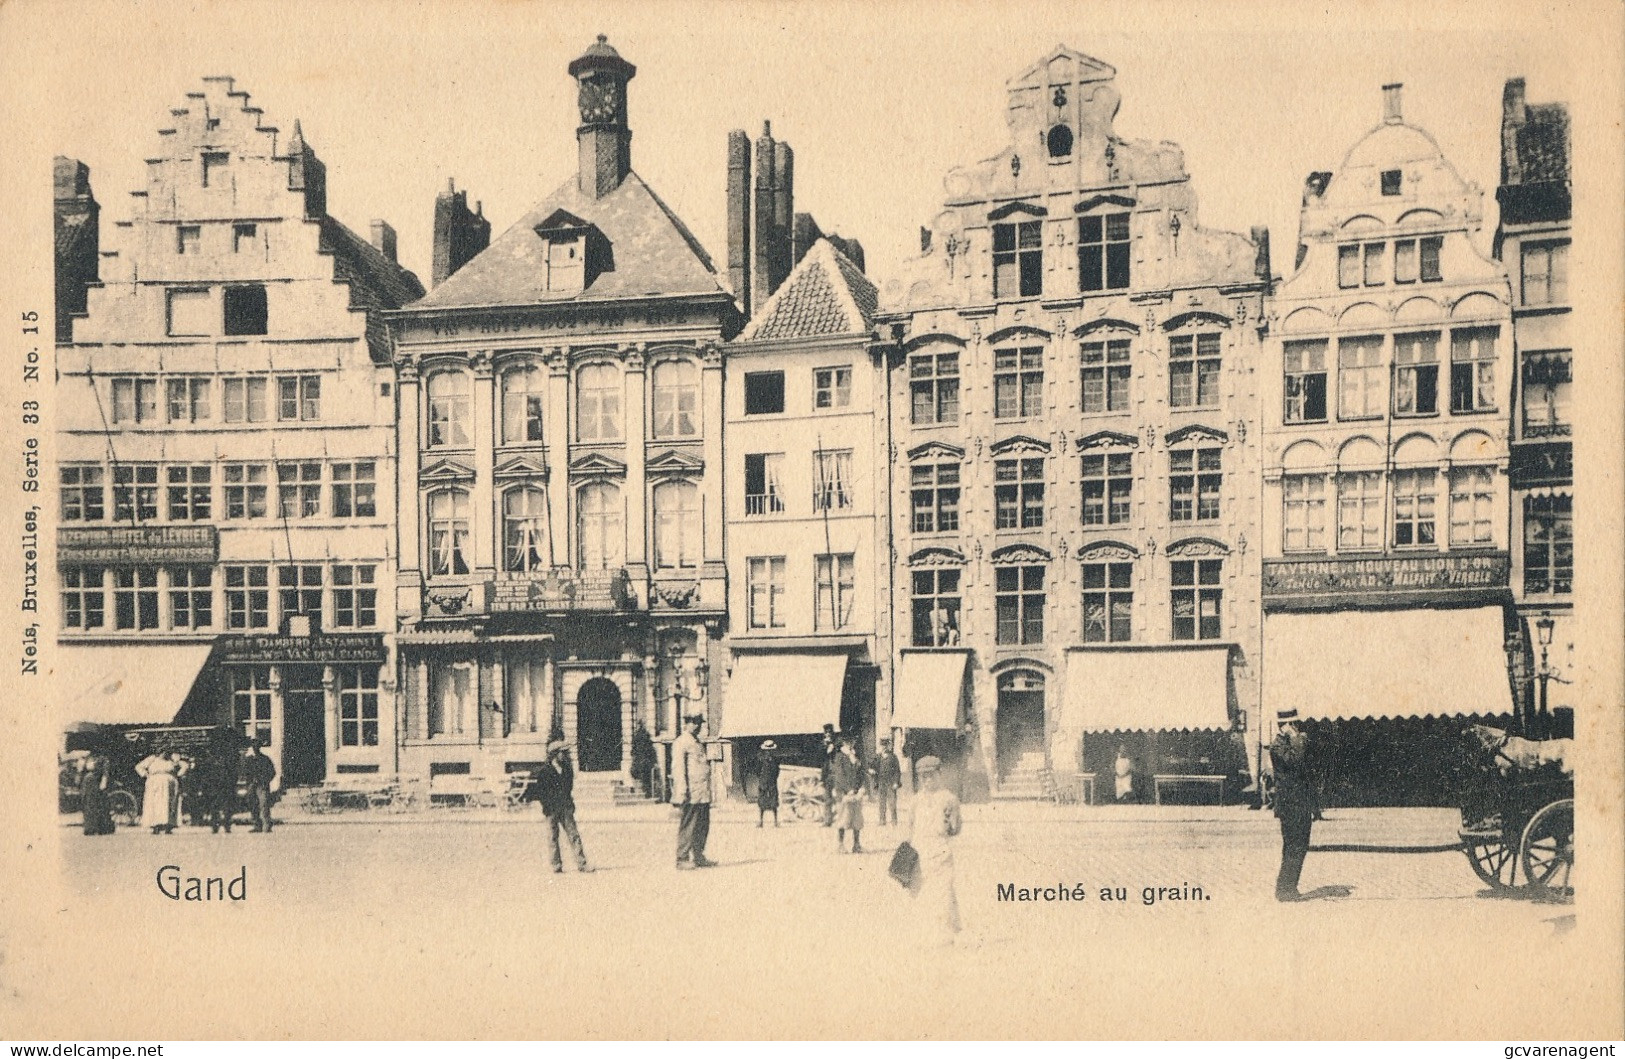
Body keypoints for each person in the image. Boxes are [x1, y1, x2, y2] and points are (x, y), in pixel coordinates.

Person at [907, 755, 962, 943]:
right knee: (922, 892)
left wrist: (949, 819)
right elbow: (911, 826)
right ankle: (928, 932)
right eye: (923, 777)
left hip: (940, 850)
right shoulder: (915, 800)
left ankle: (947, 932)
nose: (927, 781)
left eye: (931, 776)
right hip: (920, 850)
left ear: (940, 774)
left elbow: (955, 829)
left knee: (943, 890)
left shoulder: (949, 798)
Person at [1268, 708, 1318, 901]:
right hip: (1290, 806)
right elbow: (1295, 762)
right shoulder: (1278, 746)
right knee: (1292, 846)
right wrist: (1297, 739)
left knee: (1302, 845)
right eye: (1294, 724)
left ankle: (1291, 887)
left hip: (1302, 804)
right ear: (1286, 726)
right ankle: (1284, 889)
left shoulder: (1295, 743)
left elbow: (1307, 767)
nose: (1297, 727)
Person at [533, 741, 592, 874]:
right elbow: (541, 792)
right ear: (555, 754)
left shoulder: (567, 769)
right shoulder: (545, 771)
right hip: (551, 809)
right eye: (563, 752)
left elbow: (568, 788)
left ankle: (582, 864)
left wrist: (570, 805)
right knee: (553, 837)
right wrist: (547, 807)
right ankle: (556, 865)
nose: (565, 755)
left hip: (565, 808)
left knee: (574, 835)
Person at [672, 713, 715, 869]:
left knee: (702, 825)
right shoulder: (681, 742)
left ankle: (699, 856)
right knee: (689, 824)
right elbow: (678, 769)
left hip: (702, 792)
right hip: (691, 793)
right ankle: (682, 858)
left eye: (699, 723)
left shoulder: (697, 742)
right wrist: (682, 791)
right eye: (694, 722)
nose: (697, 726)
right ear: (686, 723)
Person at [136, 749, 187, 834]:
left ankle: (169, 826)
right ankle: (155, 826)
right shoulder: (152, 759)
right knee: (155, 804)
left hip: (169, 785)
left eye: (166, 752)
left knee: (169, 804)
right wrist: (146, 774)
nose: (164, 754)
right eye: (162, 752)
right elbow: (138, 767)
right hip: (154, 784)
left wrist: (178, 774)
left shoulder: (172, 759)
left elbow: (185, 765)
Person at [831, 736, 867, 853]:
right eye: (848, 742)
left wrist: (861, 787)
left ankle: (856, 844)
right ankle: (840, 845)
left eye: (852, 742)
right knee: (843, 819)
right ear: (842, 744)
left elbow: (861, 773)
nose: (850, 744)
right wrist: (848, 789)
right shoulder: (839, 757)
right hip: (844, 793)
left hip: (856, 793)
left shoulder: (855, 756)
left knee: (857, 819)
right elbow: (839, 776)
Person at [200, 746, 239, 834]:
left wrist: (231, 784)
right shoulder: (208, 763)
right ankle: (215, 826)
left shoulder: (226, 762)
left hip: (224, 788)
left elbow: (233, 774)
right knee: (215, 808)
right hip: (214, 788)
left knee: (226, 808)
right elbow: (204, 776)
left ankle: (226, 825)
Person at [240, 741, 277, 833]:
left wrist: (265, 780)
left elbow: (272, 772)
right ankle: (257, 825)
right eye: (253, 746)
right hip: (252, 785)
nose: (255, 748)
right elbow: (244, 772)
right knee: (253, 805)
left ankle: (267, 825)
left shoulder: (265, 759)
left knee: (264, 804)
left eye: (257, 746)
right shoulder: (249, 760)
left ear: (259, 747)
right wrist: (249, 780)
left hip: (262, 785)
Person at [79, 749, 115, 836]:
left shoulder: (103, 759)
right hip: (87, 785)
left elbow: (105, 773)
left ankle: (100, 827)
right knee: (88, 805)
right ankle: (89, 828)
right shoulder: (87, 759)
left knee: (98, 805)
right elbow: (82, 771)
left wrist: (103, 782)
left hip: (96, 784)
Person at [871, 738, 902, 827]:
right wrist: (871, 770)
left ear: (887, 746)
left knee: (892, 803)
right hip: (881, 782)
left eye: (885, 745)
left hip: (890, 783)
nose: (883, 747)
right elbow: (872, 766)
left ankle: (894, 821)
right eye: (882, 745)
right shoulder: (878, 757)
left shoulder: (893, 757)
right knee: (881, 803)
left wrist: (896, 782)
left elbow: (897, 771)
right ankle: (882, 820)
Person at [755, 740, 781, 828]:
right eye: (768, 750)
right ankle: (761, 821)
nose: (769, 751)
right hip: (763, 782)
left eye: (770, 750)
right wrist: (762, 778)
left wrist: (773, 779)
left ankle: (776, 821)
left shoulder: (775, 759)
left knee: (774, 801)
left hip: (772, 782)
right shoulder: (760, 759)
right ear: (765, 750)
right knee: (762, 802)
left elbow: (777, 771)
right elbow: (757, 770)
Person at [630, 719, 657, 799]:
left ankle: (640, 791)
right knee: (645, 776)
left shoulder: (636, 736)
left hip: (639, 759)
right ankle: (645, 792)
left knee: (637, 774)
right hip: (645, 759)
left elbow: (633, 749)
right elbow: (650, 750)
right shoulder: (646, 736)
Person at [819, 724, 838, 827]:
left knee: (839, 798)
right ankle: (827, 820)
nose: (827, 734)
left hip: (836, 773)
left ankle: (841, 819)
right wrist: (826, 749)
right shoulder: (822, 745)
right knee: (827, 799)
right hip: (827, 775)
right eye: (826, 732)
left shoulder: (837, 744)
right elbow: (821, 759)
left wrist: (833, 747)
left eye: (829, 732)